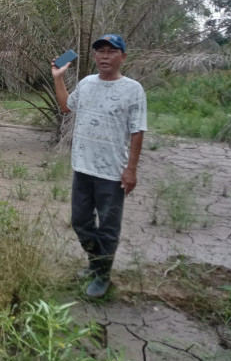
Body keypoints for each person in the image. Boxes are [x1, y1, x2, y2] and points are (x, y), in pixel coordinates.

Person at [51, 34, 147, 298]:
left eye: (111, 51)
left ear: (123, 57)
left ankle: (102, 275)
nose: (104, 56)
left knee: (107, 227)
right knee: (80, 221)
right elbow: (66, 106)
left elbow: (137, 130)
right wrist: (58, 77)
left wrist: (131, 169)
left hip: (112, 173)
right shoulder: (86, 84)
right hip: (82, 167)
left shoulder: (133, 89)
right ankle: (96, 263)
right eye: (100, 51)